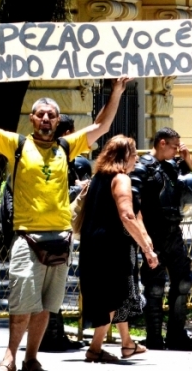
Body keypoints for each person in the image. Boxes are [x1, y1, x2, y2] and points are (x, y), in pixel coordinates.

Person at [0, 78, 130, 371]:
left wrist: (116, 91)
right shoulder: (17, 144)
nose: (46, 119)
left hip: (60, 240)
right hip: (27, 238)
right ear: (32, 118)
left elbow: (101, 126)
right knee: (21, 302)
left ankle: (31, 358)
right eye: (41, 114)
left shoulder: (66, 146)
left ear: (57, 120)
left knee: (45, 306)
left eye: (51, 115)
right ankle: (10, 356)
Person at [80, 136, 160, 362]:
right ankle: (95, 349)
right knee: (113, 295)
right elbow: (127, 215)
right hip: (112, 245)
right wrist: (147, 249)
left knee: (119, 294)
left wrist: (145, 238)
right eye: (134, 155)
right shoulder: (121, 178)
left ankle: (127, 343)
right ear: (125, 156)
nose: (136, 159)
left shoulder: (98, 178)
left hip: (94, 243)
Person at [135, 128, 192, 351]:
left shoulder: (172, 166)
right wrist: (144, 238)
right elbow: (133, 203)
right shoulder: (142, 167)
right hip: (153, 234)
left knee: (183, 281)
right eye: (174, 146)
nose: (177, 150)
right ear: (162, 143)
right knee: (154, 286)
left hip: (174, 232)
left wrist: (188, 160)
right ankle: (153, 337)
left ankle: (176, 333)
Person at [40, 114, 86, 353]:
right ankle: (49, 337)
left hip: (55, 228)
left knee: (54, 285)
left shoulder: (58, 156)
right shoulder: (53, 157)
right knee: (49, 285)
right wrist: (77, 190)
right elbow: (53, 195)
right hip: (47, 228)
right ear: (67, 133)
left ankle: (56, 335)